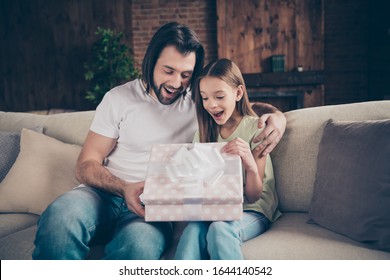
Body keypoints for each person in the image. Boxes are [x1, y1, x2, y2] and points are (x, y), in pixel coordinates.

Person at [32, 22, 286, 260]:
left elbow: (239, 108)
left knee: (139, 247)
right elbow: (86, 164)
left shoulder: (199, 103)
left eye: (186, 74)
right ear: (151, 61)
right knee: (60, 217)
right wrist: (123, 187)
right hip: (102, 195)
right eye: (168, 71)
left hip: (150, 210)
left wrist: (277, 117)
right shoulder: (118, 98)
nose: (176, 83)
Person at [174, 58, 282, 260]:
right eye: (205, 98)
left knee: (220, 229)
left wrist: (249, 162)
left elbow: (254, 196)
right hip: (216, 209)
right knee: (191, 232)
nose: (211, 105)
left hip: (252, 210)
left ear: (238, 93)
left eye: (219, 96)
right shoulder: (203, 133)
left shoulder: (255, 128)